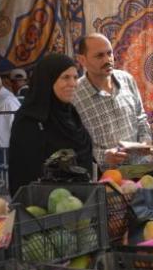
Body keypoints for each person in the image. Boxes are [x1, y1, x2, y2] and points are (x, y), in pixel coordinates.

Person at [9, 54, 94, 195]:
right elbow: (24, 175)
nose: (73, 83)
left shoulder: (71, 114)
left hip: (84, 204)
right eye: (65, 77)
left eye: (75, 77)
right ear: (47, 80)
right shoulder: (29, 120)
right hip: (48, 209)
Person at [72, 33, 152, 167]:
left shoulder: (127, 80)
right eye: (99, 56)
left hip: (140, 170)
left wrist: (145, 143)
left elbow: (141, 119)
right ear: (82, 60)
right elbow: (76, 143)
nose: (107, 59)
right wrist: (104, 157)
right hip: (105, 178)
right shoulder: (75, 95)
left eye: (109, 53)